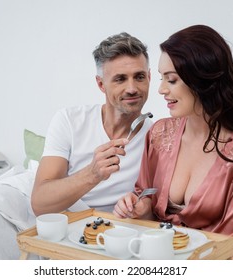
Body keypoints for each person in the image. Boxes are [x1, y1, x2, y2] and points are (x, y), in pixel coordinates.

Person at [113, 25, 233, 260]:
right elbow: (146, 201)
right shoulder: (160, 133)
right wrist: (138, 209)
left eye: (171, 80)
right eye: (162, 78)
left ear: (202, 81)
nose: (162, 89)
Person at [31, 32, 152, 215]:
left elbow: (157, 208)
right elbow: (40, 204)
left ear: (149, 77)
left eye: (140, 77)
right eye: (120, 79)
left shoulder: (159, 137)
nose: (132, 88)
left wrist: (142, 211)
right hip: (65, 221)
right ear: (101, 84)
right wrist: (92, 174)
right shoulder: (69, 120)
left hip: (114, 232)